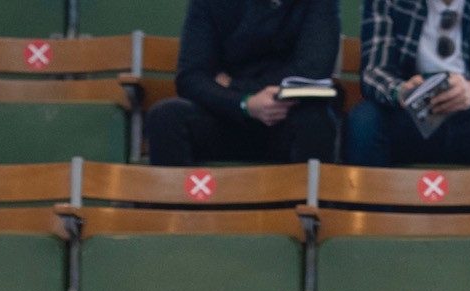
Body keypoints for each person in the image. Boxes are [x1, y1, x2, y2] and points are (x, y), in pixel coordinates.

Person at [347, 0, 470, 168]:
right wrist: (400, 90)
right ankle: (369, 210)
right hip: (410, 114)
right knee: (365, 120)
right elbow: (374, 72)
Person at [145, 0, 340, 167]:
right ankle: (177, 210)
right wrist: (246, 103)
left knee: (317, 121)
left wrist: (232, 85)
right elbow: (191, 76)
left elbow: (313, 70)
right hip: (226, 114)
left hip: (288, 115)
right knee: (166, 117)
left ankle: (306, 210)